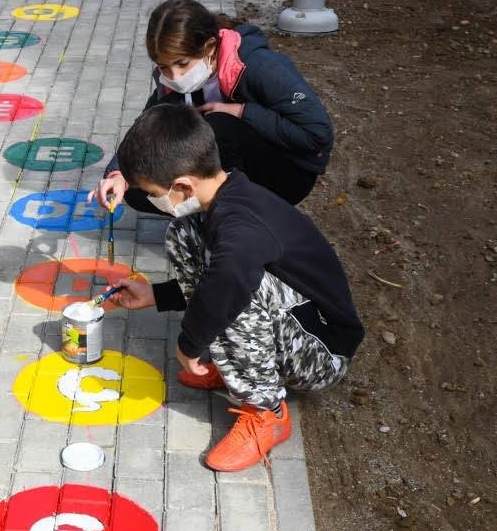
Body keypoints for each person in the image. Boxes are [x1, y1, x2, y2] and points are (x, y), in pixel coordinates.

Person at [106, 105, 364, 472]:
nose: (151, 202)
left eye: (152, 194)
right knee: (184, 234)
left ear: (182, 186)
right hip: (288, 320)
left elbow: (226, 286)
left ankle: (267, 413)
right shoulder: (222, 200)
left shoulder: (243, 228)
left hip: (321, 354)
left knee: (232, 293)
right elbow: (211, 278)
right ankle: (235, 368)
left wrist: (188, 345)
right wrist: (156, 296)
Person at [91, 0, 332, 212]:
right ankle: (209, 213)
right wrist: (118, 174)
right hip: (227, 163)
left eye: (182, 63)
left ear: (209, 47)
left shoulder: (260, 66)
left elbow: (317, 135)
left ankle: (236, 221)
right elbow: (149, 129)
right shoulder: (172, 81)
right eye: (164, 67)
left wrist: (241, 111)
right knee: (139, 189)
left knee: (216, 127)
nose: (174, 76)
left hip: (288, 173)